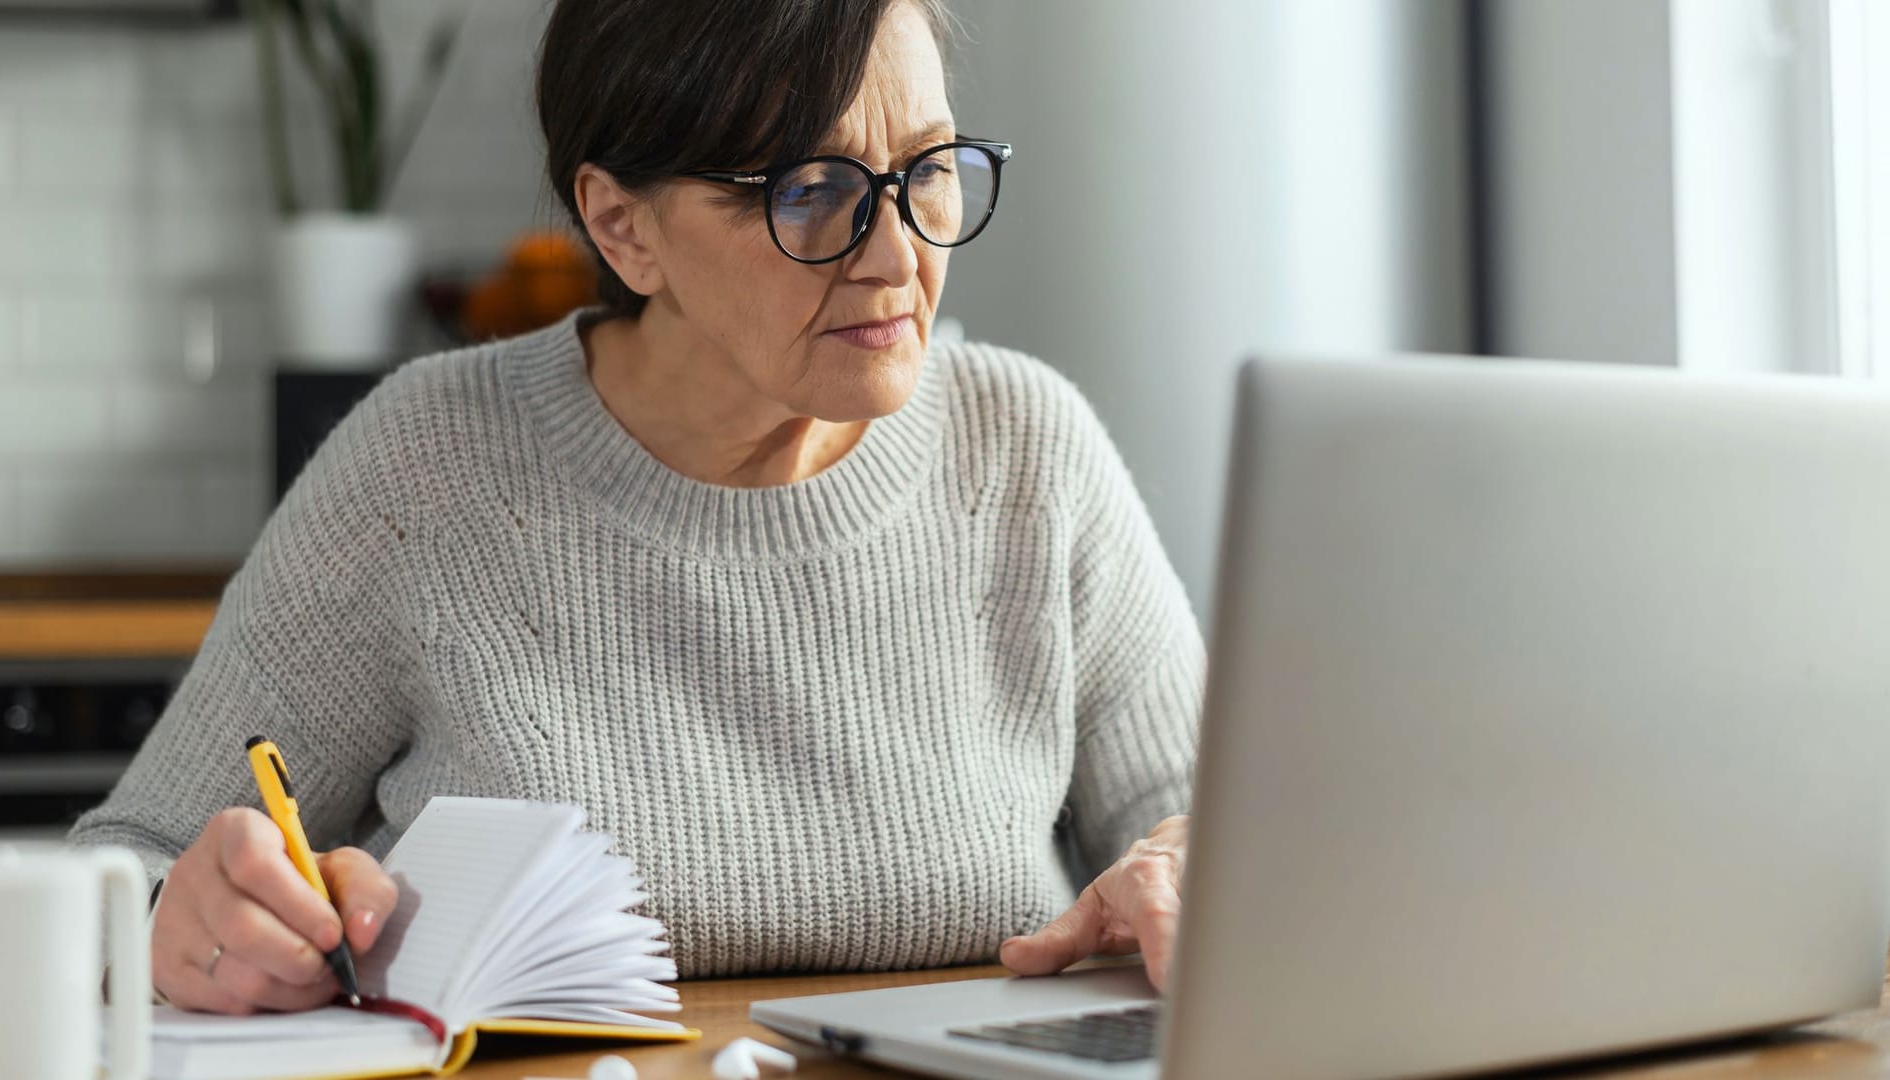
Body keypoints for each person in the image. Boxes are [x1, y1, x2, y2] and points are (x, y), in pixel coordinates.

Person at [69, 0, 1201, 1014]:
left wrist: (1198, 863)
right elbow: (120, 871)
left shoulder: (1028, 450)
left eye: (929, 167)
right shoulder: (427, 469)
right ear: (623, 227)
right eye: (812, 192)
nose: (898, 258)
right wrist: (184, 915)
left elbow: (1222, 826)